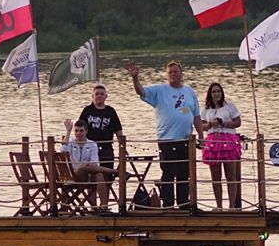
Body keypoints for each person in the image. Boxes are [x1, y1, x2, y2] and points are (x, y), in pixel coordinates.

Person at [125, 60, 203, 209]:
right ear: (167, 75)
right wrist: (135, 78)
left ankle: (184, 204)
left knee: (184, 174)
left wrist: (201, 135)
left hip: (186, 140)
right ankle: (168, 205)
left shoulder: (189, 91)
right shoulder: (159, 90)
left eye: (176, 71)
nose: (173, 74)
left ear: (181, 73)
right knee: (168, 173)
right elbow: (141, 91)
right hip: (167, 140)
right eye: (170, 72)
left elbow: (196, 115)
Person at [78, 84, 124, 206]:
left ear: (106, 96)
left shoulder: (110, 111)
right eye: (97, 94)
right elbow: (80, 129)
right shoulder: (87, 111)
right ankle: (93, 206)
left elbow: (118, 130)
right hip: (90, 148)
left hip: (106, 149)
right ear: (92, 96)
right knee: (92, 179)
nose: (99, 96)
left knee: (107, 177)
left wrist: (122, 146)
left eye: (102, 94)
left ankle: (104, 205)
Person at [200, 82, 242, 209]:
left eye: (218, 91)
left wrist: (224, 123)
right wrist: (210, 125)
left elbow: (238, 122)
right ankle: (219, 206)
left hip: (228, 141)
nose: (216, 94)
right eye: (214, 92)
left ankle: (232, 206)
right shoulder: (206, 109)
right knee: (215, 177)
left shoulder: (229, 106)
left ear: (222, 93)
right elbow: (201, 126)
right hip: (213, 143)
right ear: (210, 94)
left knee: (231, 175)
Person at [61, 119, 117, 210]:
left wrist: (87, 165)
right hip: (73, 175)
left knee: (99, 175)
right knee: (82, 166)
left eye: (81, 131)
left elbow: (95, 163)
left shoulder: (92, 144)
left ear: (86, 131)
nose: (78, 133)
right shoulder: (71, 142)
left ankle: (103, 206)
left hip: (88, 174)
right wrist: (68, 131)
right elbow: (63, 150)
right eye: (76, 131)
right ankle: (115, 172)